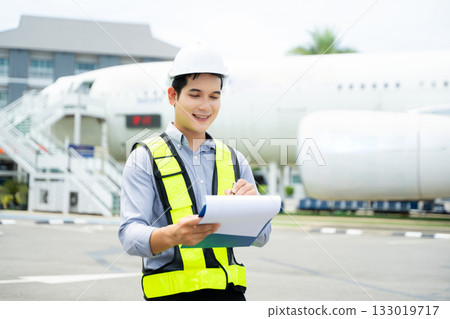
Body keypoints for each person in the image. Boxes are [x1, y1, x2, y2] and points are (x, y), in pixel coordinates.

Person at [118, 43, 271, 301]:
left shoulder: (235, 160)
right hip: (171, 299)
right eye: (195, 94)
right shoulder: (144, 158)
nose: (205, 106)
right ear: (172, 96)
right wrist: (173, 235)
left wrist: (252, 209)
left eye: (214, 96)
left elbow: (262, 237)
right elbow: (130, 236)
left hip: (230, 299)